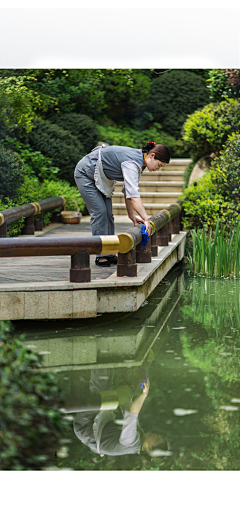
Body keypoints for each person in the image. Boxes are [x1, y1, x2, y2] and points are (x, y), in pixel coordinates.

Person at [74, 142, 171, 266]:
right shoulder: (133, 163)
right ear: (152, 155)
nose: (158, 169)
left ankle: (108, 252)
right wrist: (146, 219)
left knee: (108, 214)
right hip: (85, 174)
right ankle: (101, 254)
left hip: (100, 177)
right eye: (159, 165)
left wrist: (131, 214)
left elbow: (128, 191)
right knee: (100, 213)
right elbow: (134, 196)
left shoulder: (140, 162)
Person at [73, 368, 168, 458]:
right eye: (159, 436)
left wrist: (144, 394)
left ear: (149, 448)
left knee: (101, 390)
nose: (156, 435)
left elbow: (132, 413)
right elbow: (126, 407)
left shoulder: (130, 442)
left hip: (85, 426)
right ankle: (105, 357)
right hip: (96, 421)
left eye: (156, 439)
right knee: (107, 389)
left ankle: (101, 356)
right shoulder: (140, 436)